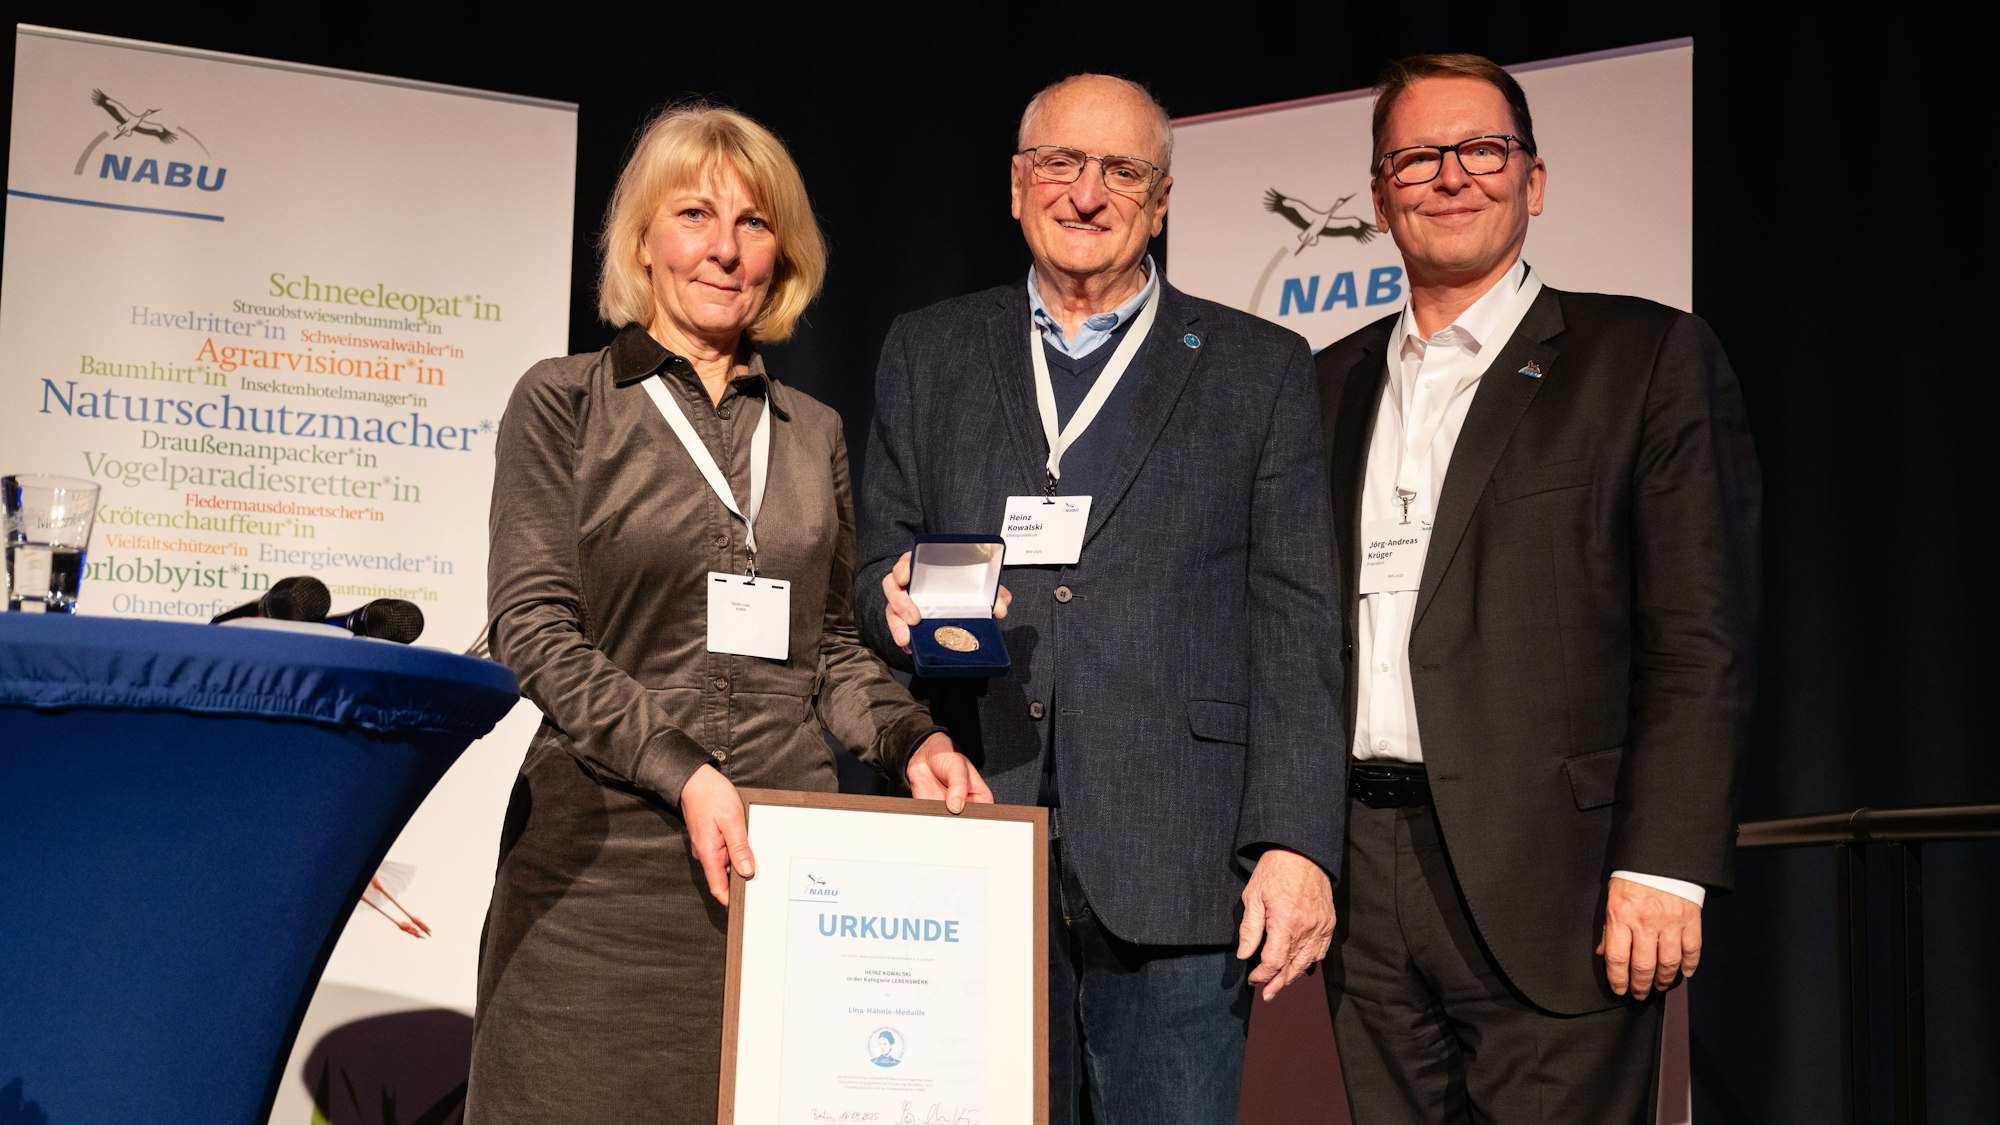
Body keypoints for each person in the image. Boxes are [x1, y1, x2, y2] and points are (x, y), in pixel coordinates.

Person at [468, 102, 988, 1123]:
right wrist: (686, 771)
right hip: (596, 869)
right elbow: (532, 627)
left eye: (753, 224)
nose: (723, 248)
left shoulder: (811, 432)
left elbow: (828, 649)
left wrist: (908, 740)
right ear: (644, 242)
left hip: (779, 868)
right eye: (695, 215)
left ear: (780, 255)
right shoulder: (563, 400)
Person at [855, 74, 1345, 1125]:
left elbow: (1296, 621)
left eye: (1120, 171)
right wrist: (884, 599)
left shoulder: (1258, 367)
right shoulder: (928, 350)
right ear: (1017, 186)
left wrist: (1297, 842)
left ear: (1160, 202)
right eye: (1060, 165)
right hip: (977, 827)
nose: (1087, 194)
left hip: (1183, 856)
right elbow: (869, 569)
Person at [1313, 53, 1761, 1122]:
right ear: (1379, 200)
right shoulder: (1318, 383)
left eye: (1481, 150)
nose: (1450, 176)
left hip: (1555, 875)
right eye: (1416, 158)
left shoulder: (1641, 355)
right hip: (1359, 872)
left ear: (1533, 179)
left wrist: (1664, 861)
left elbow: (1700, 635)